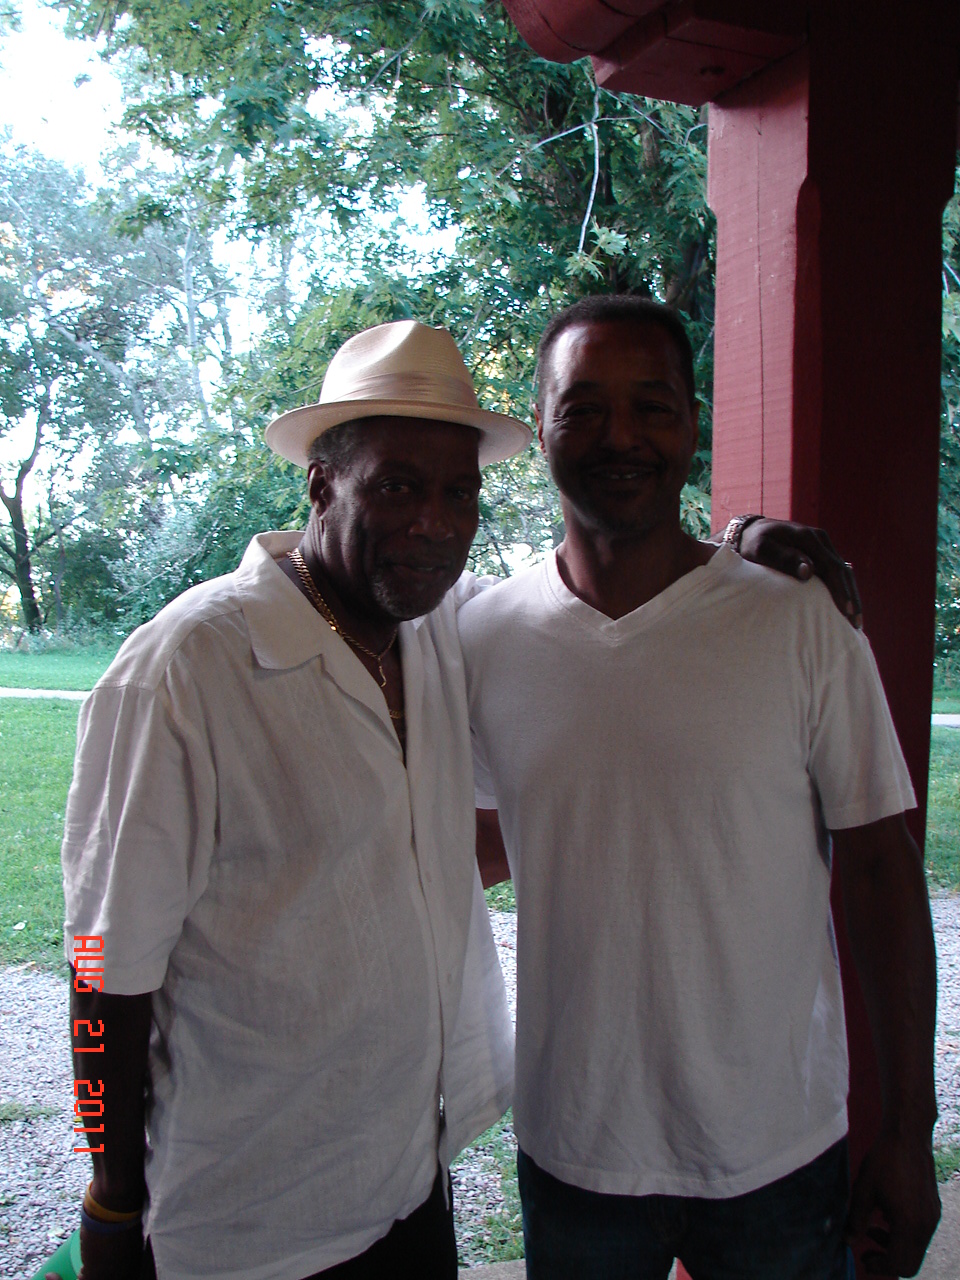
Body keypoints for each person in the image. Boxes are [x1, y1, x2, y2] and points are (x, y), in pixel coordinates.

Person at [458, 295, 941, 1279]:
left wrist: (907, 1127)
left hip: (775, 1147)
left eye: (653, 405)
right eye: (583, 407)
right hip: (575, 1146)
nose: (620, 435)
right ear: (540, 424)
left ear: (693, 421)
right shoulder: (483, 637)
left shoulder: (798, 621)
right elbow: (486, 843)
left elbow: (882, 870)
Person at [60, 320, 529, 1280]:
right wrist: (110, 1199)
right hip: (252, 1218)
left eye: (460, 492)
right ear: (320, 485)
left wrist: (738, 550)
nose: (435, 523)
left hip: (408, 1184)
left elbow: (586, 606)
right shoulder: (186, 669)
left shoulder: (437, 629)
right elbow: (103, 963)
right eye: (396, 486)